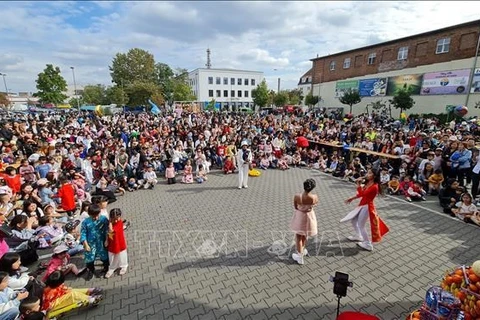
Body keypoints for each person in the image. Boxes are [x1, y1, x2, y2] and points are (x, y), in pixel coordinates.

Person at [342, 169, 389, 252]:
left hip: (367, 207)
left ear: (374, 176)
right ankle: (358, 236)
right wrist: (352, 198)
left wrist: (358, 185)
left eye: (370, 173)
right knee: (353, 221)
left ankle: (368, 244)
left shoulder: (375, 186)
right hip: (362, 205)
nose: (367, 174)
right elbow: (361, 194)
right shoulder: (368, 183)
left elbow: (362, 193)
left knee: (361, 225)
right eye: (368, 172)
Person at [289, 179, 318, 265]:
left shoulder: (297, 196)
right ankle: (302, 249)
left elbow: (295, 207)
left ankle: (299, 256)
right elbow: (315, 204)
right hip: (309, 216)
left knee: (298, 236)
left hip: (300, 216)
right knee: (305, 234)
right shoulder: (314, 197)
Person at [79, 204, 109, 280]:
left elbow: (107, 230)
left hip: (101, 241)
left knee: (104, 255)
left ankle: (106, 268)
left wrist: (107, 240)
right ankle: (91, 271)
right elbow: (83, 233)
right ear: (89, 214)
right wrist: (85, 244)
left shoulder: (104, 219)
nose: (96, 218)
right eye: (93, 216)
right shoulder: (85, 222)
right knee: (90, 257)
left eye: (97, 215)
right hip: (90, 243)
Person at [104, 209, 128, 278]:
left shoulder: (119, 223)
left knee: (122, 254)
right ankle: (112, 268)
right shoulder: (109, 223)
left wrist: (111, 223)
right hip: (112, 242)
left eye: (117, 218)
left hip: (119, 241)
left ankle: (124, 266)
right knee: (112, 255)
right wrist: (106, 240)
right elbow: (108, 232)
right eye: (114, 219)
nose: (116, 220)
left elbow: (111, 230)